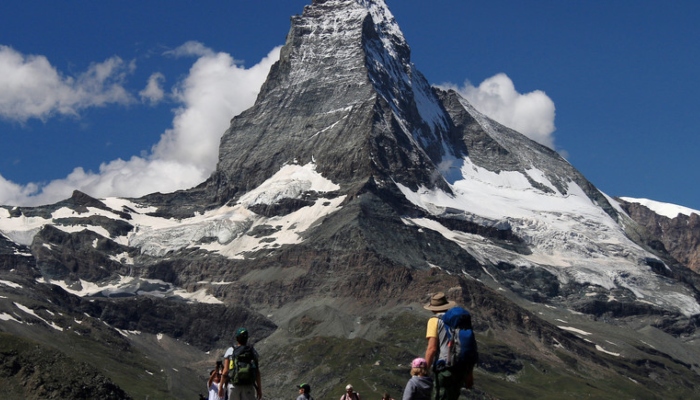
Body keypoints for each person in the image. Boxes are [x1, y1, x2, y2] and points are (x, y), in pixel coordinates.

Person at [424, 292, 476, 400]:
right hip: (461, 369)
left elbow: (432, 348)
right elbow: (468, 349)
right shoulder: (457, 322)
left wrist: (423, 371)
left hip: (444, 369)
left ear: (433, 308)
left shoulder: (434, 321)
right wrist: (469, 374)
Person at [219, 327, 262, 400]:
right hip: (248, 385)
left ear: (237, 338)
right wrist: (259, 388)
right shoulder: (252, 351)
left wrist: (220, 387)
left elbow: (225, 371)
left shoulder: (231, 351)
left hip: (234, 386)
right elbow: (257, 371)